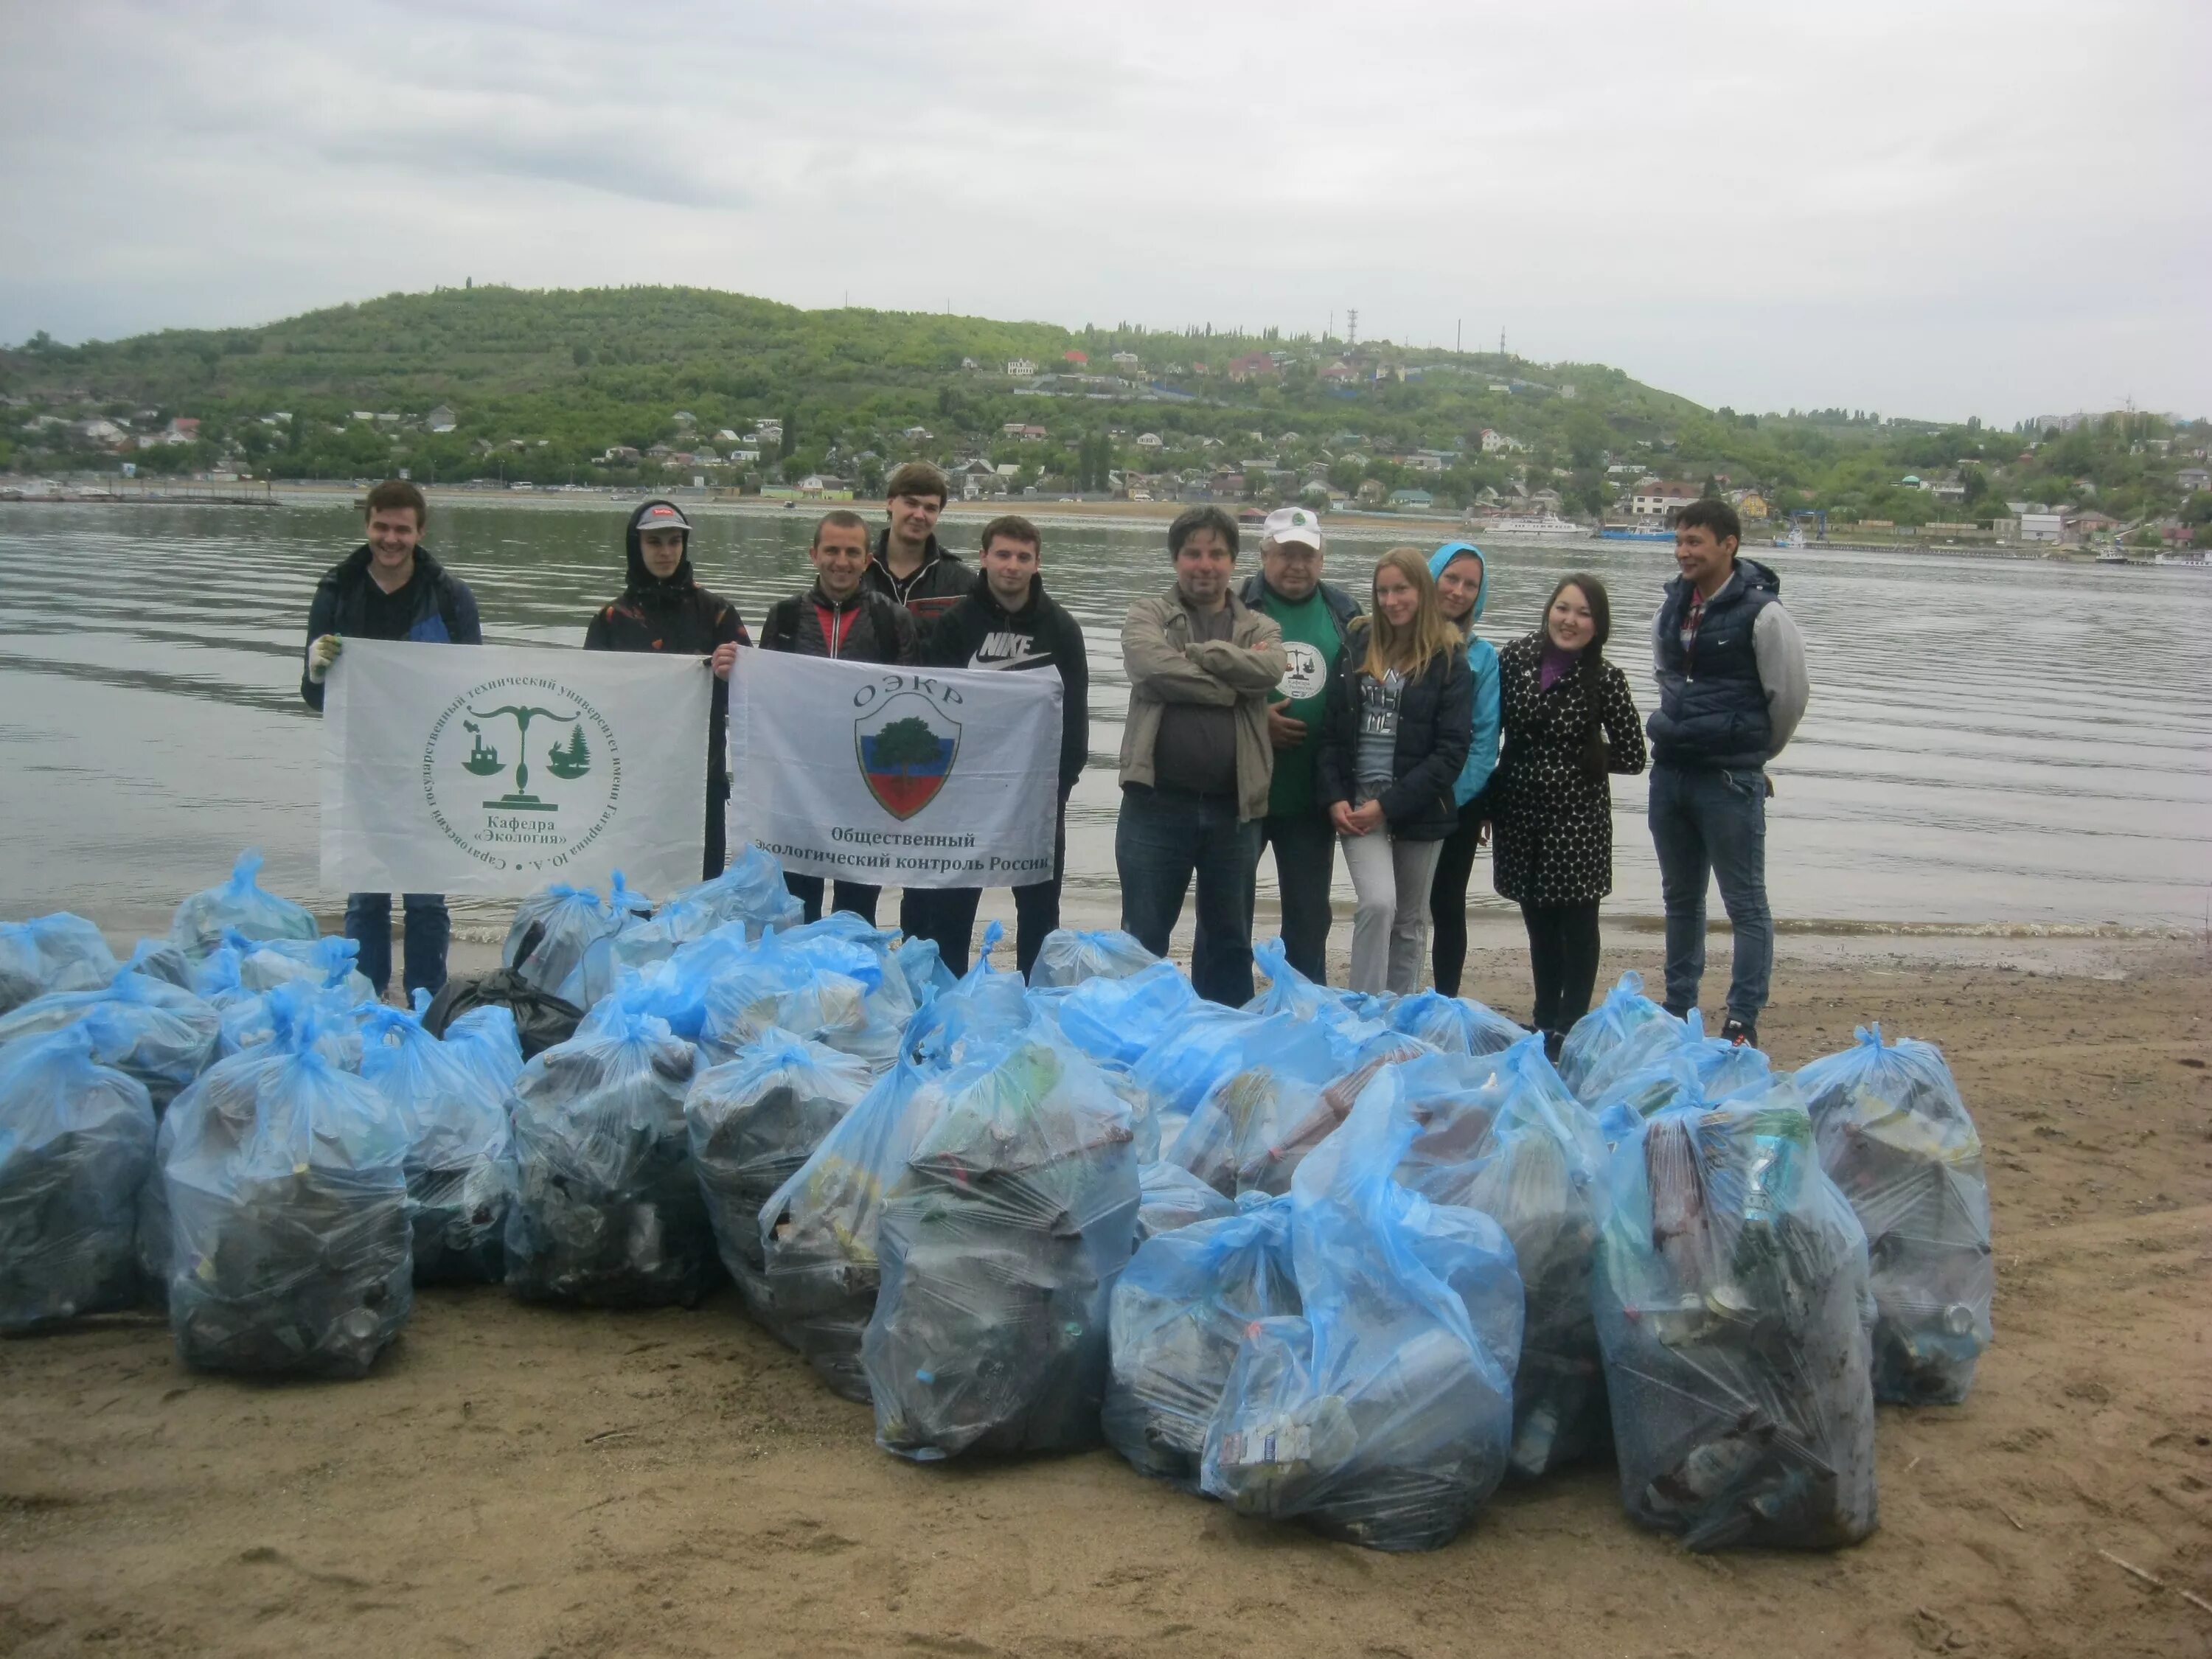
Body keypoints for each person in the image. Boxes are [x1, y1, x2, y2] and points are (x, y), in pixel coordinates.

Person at [301, 479, 481, 1001]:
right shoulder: (335, 590)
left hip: (431, 771)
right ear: (367, 525)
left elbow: (477, 689)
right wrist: (317, 672)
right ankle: (367, 997)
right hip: (362, 769)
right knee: (366, 898)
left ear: (420, 532)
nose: (391, 538)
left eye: (402, 528)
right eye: (382, 526)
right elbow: (312, 699)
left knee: (427, 900)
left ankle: (428, 1000)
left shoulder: (451, 596)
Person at [1645, 498, 1809, 1048]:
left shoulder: (1765, 614)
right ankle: (1677, 1007)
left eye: (1695, 542)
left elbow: (1787, 697)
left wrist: (1753, 757)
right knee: (1681, 899)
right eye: (1680, 541)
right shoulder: (1670, 607)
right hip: (1671, 774)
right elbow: (1665, 677)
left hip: (1727, 780)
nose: (1683, 552)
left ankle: (1742, 1019)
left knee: (1745, 903)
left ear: (1729, 545)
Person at [1115, 506, 1287, 1006]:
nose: (1204, 564)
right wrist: (1235, 684)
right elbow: (1149, 668)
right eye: (1193, 553)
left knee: (1229, 942)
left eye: (1216, 553)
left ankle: (1223, 1040)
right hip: (1154, 806)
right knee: (1142, 939)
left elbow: (1271, 669)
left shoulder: (1260, 624)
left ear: (1233, 562)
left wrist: (1198, 653)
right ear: (1176, 559)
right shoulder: (1145, 613)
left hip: (1234, 811)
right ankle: (1138, 1037)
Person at [908, 515, 1089, 977]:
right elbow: (931, 713)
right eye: (1003, 555)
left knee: (1040, 912)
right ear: (984, 557)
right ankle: (948, 998)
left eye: (1023, 557)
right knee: (950, 909)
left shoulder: (1063, 629)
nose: (1012, 566)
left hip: (1036, 797)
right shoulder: (954, 625)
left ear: (1037, 563)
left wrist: (1061, 786)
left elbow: (1075, 718)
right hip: (964, 796)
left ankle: (1034, 1001)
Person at [1490, 573, 1647, 1059]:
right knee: (1538, 923)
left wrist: (1586, 757)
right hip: (1517, 812)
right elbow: (1487, 728)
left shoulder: (1606, 678)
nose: (1570, 620)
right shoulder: (1513, 659)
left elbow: (1633, 754)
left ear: (1597, 626)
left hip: (1577, 821)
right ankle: (1544, 1018)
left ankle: (1571, 1022)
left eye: (1583, 613)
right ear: (1548, 610)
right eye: (1563, 608)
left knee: (1577, 926)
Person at [1315, 548, 1472, 995]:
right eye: (1382, 591)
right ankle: (1366, 1007)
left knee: (1409, 920)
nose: (1390, 601)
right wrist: (1335, 797)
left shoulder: (1450, 662)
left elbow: (1451, 752)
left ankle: (1400, 1014)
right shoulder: (1355, 647)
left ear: (1422, 592)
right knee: (1379, 903)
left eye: (1400, 589)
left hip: (1420, 810)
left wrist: (1390, 805)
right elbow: (1330, 735)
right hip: (1357, 805)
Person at [760, 509, 919, 925]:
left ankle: (849, 980)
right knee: (795, 902)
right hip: (797, 780)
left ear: (868, 560)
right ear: (813, 554)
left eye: (852, 552)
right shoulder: (785, 617)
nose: (841, 561)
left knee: (857, 906)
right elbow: (762, 698)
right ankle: (797, 977)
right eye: (831, 550)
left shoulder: (893, 620)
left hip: (864, 783)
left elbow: (907, 707)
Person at [1231, 505, 1362, 984]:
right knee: (1230, 910)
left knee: (1308, 919)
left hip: (1312, 796)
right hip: (1244, 791)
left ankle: (1307, 1006)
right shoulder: (1234, 606)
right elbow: (1201, 684)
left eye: (1307, 555)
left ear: (1322, 560)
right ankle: (1228, 1003)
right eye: (1285, 553)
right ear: (1264, 554)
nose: (1296, 565)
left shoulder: (1346, 613)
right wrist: (1253, 721)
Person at [582, 500, 747, 880]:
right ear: (636, 547)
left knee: (701, 890)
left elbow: (751, 696)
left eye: (675, 541)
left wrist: (730, 674)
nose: (666, 552)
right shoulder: (611, 619)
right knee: (629, 889)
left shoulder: (717, 612)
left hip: (701, 777)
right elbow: (589, 698)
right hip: (629, 776)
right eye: (655, 542)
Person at [1424, 542, 1504, 997]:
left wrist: (1450, 796)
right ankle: (1393, 995)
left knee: (1447, 904)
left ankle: (1445, 998)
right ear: (1431, 577)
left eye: (1470, 584)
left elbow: (1485, 738)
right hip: (1397, 800)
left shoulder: (1483, 658)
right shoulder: (1397, 639)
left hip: (1457, 802)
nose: (1458, 591)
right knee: (1397, 907)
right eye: (1451, 578)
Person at [864, 462, 970, 627]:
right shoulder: (858, 571)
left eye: (930, 508)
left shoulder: (961, 583)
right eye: (911, 504)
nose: (920, 515)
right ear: (890, 503)